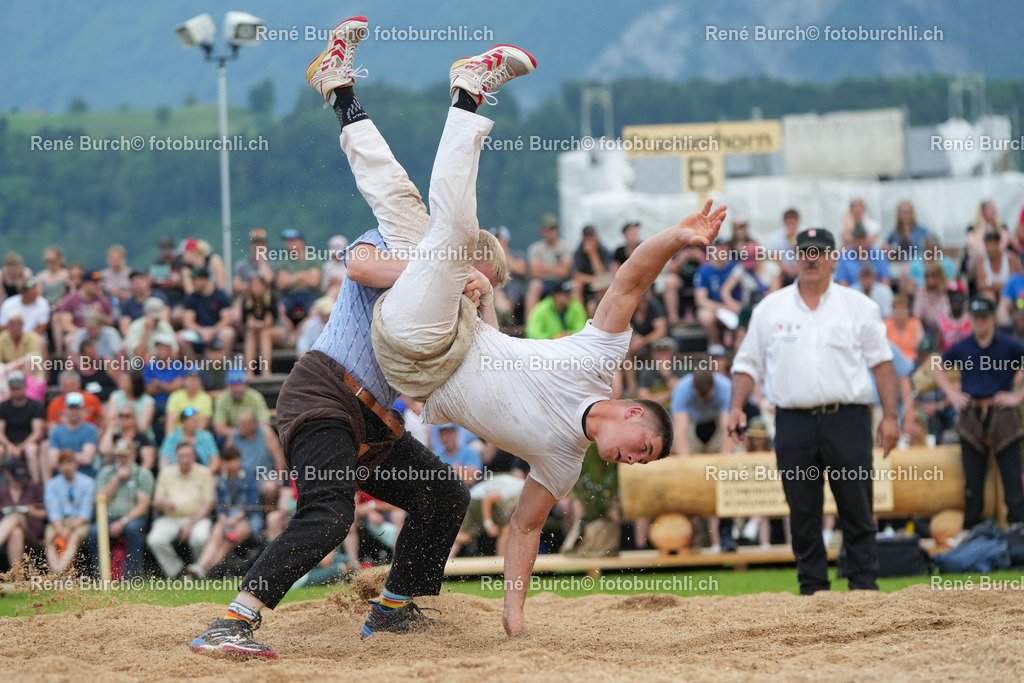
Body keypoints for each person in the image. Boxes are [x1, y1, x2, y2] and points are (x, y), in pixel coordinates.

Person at [359, 55, 722, 638]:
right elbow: (628, 280)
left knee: (451, 235)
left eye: (643, 462)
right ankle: (346, 99)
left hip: (418, 353)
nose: (635, 460)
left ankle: (465, 100)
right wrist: (679, 237)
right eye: (644, 446)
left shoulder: (563, 465)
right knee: (402, 205)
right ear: (632, 413)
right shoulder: (594, 361)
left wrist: (514, 618)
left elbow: (525, 530)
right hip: (436, 325)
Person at [188, 20, 484, 657]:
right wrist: (441, 272)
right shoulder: (406, 242)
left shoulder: (446, 286)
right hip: (325, 391)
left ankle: (394, 611)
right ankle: (232, 621)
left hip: (374, 424)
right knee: (328, 513)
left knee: (443, 495)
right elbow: (356, 265)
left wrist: (467, 300)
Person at [728, 227, 899, 595]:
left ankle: (864, 586)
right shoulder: (769, 309)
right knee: (803, 510)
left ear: (834, 258)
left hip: (848, 419)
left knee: (856, 504)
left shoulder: (858, 306)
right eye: (804, 251)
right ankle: (813, 590)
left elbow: (883, 364)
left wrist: (891, 417)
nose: (811, 258)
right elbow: (746, 363)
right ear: (794, 256)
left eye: (819, 252)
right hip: (793, 421)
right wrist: (736, 408)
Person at [933, 296, 1024, 531]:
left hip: (1002, 411)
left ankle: (1018, 529)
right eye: (975, 318)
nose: (979, 323)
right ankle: (972, 530)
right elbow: (936, 367)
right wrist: (952, 396)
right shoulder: (963, 346)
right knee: (972, 481)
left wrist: (1017, 396)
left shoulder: (1009, 344)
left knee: (1012, 477)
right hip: (971, 412)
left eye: (983, 318)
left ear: (993, 318)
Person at [185, 446, 262, 579]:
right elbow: (219, 505)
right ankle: (201, 566)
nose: (231, 464)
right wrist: (222, 518)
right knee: (216, 533)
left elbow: (252, 505)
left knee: (228, 540)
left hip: (249, 519)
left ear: (239, 460)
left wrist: (235, 518)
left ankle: (207, 569)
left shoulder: (249, 477)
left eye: (233, 460)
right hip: (228, 517)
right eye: (228, 461)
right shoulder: (221, 480)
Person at [147, 442, 215, 578]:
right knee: (155, 539)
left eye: (188, 456)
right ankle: (178, 572)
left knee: (200, 538)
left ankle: (200, 570)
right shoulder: (166, 473)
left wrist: (191, 523)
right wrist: (163, 502)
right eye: (181, 456)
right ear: (176, 457)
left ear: (194, 456)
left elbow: (208, 503)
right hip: (170, 518)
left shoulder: (204, 472)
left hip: (198, 518)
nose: (184, 459)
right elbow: (156, 501)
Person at [88, 439, 153, 578]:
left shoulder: (143, 474)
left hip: (133, 518)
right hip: (108, 517)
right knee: (94, 531)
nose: (121, 459)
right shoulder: (106, 473)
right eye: (118, 455)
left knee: (133, 529)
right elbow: (100, 499)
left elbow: (143, 506)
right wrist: (116, 479)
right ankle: (99, 573)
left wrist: (123, 521)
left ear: (133, 455)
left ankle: (132, 573)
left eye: (125, 455)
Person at [43, 451, 95, 575]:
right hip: (58, 522)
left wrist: (70, 529)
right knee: (49, 541)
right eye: (63, 463)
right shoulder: (51, 484)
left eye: (69, 463)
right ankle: (58, 572)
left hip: (79, 522)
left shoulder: (88, 483)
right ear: (59, 466)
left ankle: (58, 572)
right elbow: (53, 511)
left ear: (76, 464)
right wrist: (60, 529)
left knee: (74, 538)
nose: (66, 467)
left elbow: (85, 513)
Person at [227, 410, 285, 504]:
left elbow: (278, 458)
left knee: (270, 487)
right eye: (238, 423)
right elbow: (226, 459)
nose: (239, 426)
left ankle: (268, 515)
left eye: (243, 424)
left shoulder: (265, 432)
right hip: (241, 476)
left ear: (253, 424)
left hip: (263, 475)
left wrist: (280, 480)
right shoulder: (233, 435)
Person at [0, 371, 46, 483]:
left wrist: (21, 447)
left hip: (28, 442)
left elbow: (37, 432)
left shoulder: (35, 406)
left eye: (18, 388)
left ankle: (35, 485)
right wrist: (9, 446)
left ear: (25, 387)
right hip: (8, 444)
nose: (16, 391)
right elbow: (0, 431)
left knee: (31, 450)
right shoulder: (3, 407)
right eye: (13, 388)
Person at [179, 268, 235, 359]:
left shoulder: (221, 295)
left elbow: (227, 319)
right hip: (198, 333)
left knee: (229, 333)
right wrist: (202, 331)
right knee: (181, 337)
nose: (192, 282)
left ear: (204, 279)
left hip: (217, 332)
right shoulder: (191, 297)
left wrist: (212, 331)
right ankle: (193, 368)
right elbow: (187, 321)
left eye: (195, 279)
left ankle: (224, 366)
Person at [0, 458, 46, 569]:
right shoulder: (2, 491)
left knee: (16, 515)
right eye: (17, 478)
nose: (20, 481)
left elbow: (48, 513)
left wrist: (33, 511)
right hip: (8, 534)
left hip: (32, 532)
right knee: (16, 532)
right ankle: (17, 578)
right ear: (8, 474)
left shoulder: (34, 487)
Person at [236, 274, 285, 377]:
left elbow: (268, 322)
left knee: (264, 333)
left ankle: (266, 369)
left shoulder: (271, 298)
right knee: (251, 333)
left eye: (258, 285)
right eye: (253, 285)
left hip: (275, 332)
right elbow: (249, 321)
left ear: (264, 286)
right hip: (257, 334)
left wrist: (256, 324)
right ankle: (249, 370)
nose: (256, 288)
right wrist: (254, 325)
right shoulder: (246, 301)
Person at [524, 214, 573, 316]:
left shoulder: (566, 247)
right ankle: (530, 323)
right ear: (542, 230)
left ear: (557, 229)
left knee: (576, 286)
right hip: (544, 283)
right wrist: (557, 268)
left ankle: (578, 322)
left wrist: (545, 268)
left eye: (553, 228)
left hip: (561, 282)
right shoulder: (535, 248)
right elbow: (535, 272)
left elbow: (565, 271)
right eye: (547, 229)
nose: (550, 232)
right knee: (534, 286)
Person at [276, 229, 323, 326]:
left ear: (302, 242)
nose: (288, 243)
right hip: (288, 295)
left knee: (315, 311)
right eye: (287, 241)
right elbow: (281, 284)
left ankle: (300, 333)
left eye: (292, 240)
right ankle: (288, 332)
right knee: (278, 309)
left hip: (309, 295)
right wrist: (302, 275)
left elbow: (314, 282)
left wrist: (290, 279)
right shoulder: (284, 263)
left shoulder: (312, 259)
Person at [47, 392, 100, 478]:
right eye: (71, 408)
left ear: (82, 410)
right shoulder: (56, 431)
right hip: (62, 476)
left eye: (77, 408)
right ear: (65, 410)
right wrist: (77, 456)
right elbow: (52, 461)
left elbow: (87, 458)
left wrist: (63, 457)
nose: (73, 411)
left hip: (85, 475)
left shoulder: (91, 429)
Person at [160, 407, 220, 471]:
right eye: (193, 420)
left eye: (197, 420)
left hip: (203, 474)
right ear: (183, 422)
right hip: (176, 476)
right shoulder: (172, 438)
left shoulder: (207, 437)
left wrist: (204, 476)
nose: (196, 423)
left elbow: (215, 462)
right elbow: (164, 462)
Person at [119, 270, 169, 336]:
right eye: (133, 280)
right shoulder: (127, 303)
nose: (137, 283)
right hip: (136, 335)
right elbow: (124, 329)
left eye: (140, 279)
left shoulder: (159, 297)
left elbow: (165, 321)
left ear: (148, 281)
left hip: (158, 335)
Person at [572, 225, 612, 305]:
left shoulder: (603, 250)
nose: (590, 240)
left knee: (604, 286)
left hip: (601, 285)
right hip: (588, 284)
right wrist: (594, 279)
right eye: (587, 238)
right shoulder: (578, 252)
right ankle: (579, 315)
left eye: (592, 236)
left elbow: (602, 273)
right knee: (576, 286)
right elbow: (577, 275)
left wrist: (593, 253)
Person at [232, 229, 277, 298]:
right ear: (251, 246)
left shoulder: (272, 264)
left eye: (261, 244)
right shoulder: (241, 265)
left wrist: (261, 260)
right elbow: (236, 287)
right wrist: (257, 285)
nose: (258, 247)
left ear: (266, 246)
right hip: (246, 302)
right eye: (256, 244)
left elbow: (268, 279)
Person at [165, 369, 213, 433]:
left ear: (201, 381)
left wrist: (190, 438)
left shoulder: (206, 398)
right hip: (178, 434)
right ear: (184, 380)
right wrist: (171, 439)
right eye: (190, 378)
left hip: (198, 435)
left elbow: (203, 424)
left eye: (196, 378)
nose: (193, 381)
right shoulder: (175, 396)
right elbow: (170, 423)